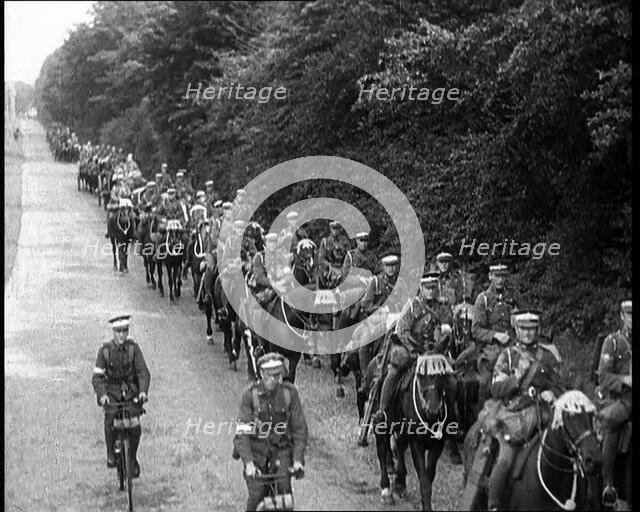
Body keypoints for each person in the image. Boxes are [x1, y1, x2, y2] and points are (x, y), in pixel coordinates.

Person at [483, 309, 562, 511]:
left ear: (538, 330)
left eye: (532, 329)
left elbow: (558, 384)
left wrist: (551, 393)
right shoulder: (507, 355)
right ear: (517, 330)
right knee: (506, 459)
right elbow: (496, 389)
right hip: (513, 417)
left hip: (543, 414)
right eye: (523, 329)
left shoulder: (547, 356)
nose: (528, 334)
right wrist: (516, 378)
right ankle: (494, 504)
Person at [374, 272, 455, 424]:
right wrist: (416, 349)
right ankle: (383, 412)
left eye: (433, 287)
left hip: (434, 354)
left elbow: (447, 330)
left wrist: (437, 347)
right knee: (395, 371)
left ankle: (451, 418)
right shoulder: (412, 305)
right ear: (421, 288)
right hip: (412, 350)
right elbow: (403, 331)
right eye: (427, 288)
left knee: (452, 378)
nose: (431, 291)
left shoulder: (442, 308)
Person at [233, 352, 308, 511]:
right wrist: (248, 463)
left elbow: (299, 428)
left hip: (281, 451)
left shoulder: (289, 393)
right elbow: (242, 433)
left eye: (277, 375)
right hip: (257, 452)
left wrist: (298, 460)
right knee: (257, 494)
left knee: (285, 496)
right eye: (269, 375)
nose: (273, 379)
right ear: (261, 373)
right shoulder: (250, 394)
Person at [92, 315, 150, 478]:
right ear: (113, 332)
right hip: (111, 392)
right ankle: (111, 453)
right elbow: (97, 377)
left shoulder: (133, 349)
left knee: (135, 425)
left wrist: (143, 391)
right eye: (118, 331)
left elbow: (143, 372)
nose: (122, 335)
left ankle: (132, 458)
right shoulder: (105, 351)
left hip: (130, 391)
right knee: (110, 417)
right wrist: (102, 395)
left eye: (125, 331)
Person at [597, 299, 632, 508]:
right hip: (622, 397)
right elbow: (603, 377)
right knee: (610, 421)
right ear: (623, 316)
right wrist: (624, 380)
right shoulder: (614, 342)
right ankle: (608, 485)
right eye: (630, 315)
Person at [472, 264, 521, 403]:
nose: (500, 280)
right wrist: (495, 335)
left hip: (511, 344)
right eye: (497, 276)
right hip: (490, 348)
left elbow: (522, 320)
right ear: (490, 276)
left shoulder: (512, 297)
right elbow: (475, 330)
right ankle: (484, 414)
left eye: (503, 276)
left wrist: (516, 321)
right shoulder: (483, 299)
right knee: (486, 382)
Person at [357, 254, 408, 377]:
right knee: (364, 343)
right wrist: (380, 310)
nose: (391, 268)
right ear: (383, 267)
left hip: (397, 320)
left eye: (393, 265)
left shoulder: (401, 283)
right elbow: (365, 303)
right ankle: (366, 377)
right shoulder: (376, 281)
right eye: (388, 266)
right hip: (378, 320)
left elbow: (407, 302)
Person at [317, 221, 350, 288]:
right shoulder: (325, 242)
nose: (336, 231)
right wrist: (329, 265)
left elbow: (349, 256)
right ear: (330, 229)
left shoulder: (344, 241)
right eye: (334, 229)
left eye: (337, 229)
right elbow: (321, 258)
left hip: (343, 267)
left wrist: (345, 267)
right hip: (330, 268)